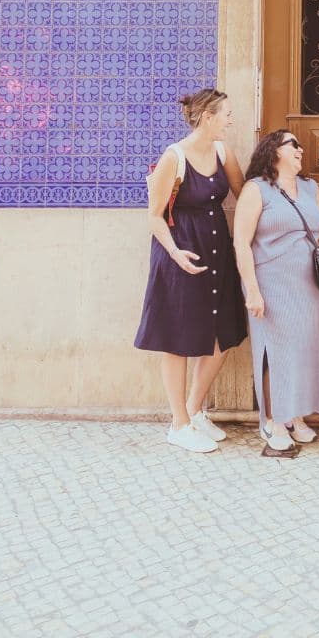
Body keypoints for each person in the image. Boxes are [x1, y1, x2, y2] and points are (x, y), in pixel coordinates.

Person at [135, 88, 247, 453]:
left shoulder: (222, 152)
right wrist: (174, 253)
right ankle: (178, 422)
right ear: (207, 116)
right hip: (181, 252)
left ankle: (196, 411)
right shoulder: (174, 157)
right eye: (226, 113)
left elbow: (243, 193)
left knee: (222, 332)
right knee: (177, 337)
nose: (231, 120)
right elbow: (153, 216)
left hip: (217, 253)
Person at [232, 130, 319, 454]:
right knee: (275, 353)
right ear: (274, 150)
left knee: (306, 349)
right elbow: (241, 243)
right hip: (272, 283)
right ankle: (274, 421)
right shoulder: (256, 189)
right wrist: (252, 290)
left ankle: (297, 416)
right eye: (294, 144)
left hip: (309, 285)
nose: (301, 150)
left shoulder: (310, 187)